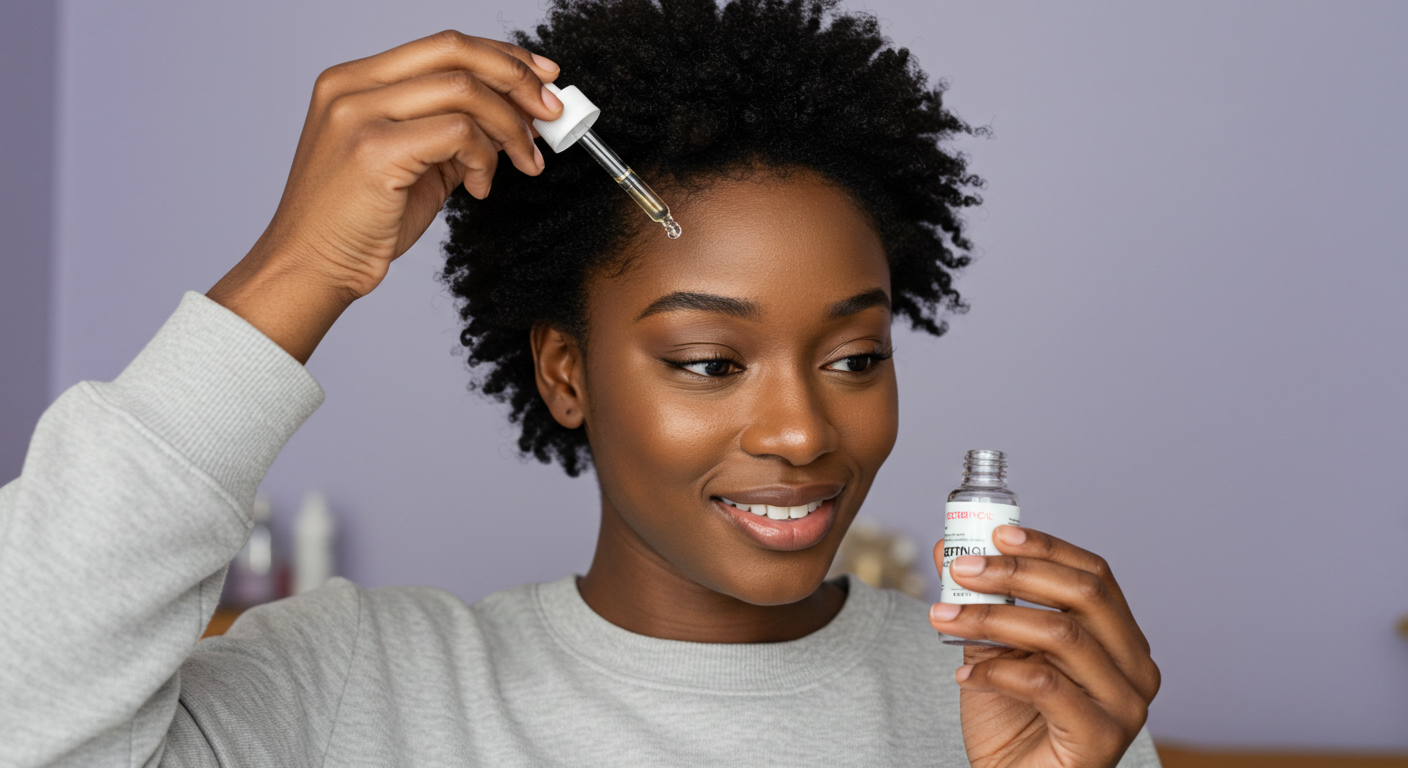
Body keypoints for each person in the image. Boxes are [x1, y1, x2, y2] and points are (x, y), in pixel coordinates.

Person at [0, 0, 1161, 765]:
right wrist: (298, 267)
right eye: (708, 362)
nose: (803, 431)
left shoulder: (1024, 702)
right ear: (566, 374)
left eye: (854, 357)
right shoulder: (355, 692)